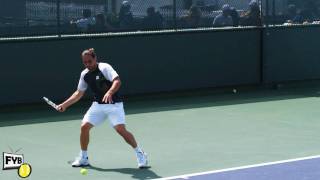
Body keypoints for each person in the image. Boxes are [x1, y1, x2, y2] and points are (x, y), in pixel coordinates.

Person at [57, 48, 148, 168]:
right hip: (98, 105)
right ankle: (84, 157)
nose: (88, 64)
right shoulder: (84, 74)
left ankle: (140, 153)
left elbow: (117, 81)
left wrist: (110, 92)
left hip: (114, 104)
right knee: (84, 127)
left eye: (90, 61)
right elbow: (79, 93)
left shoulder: (104, 67)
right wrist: (64, 105)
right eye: (85, 62)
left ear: (95, 58)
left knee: (120, 129)